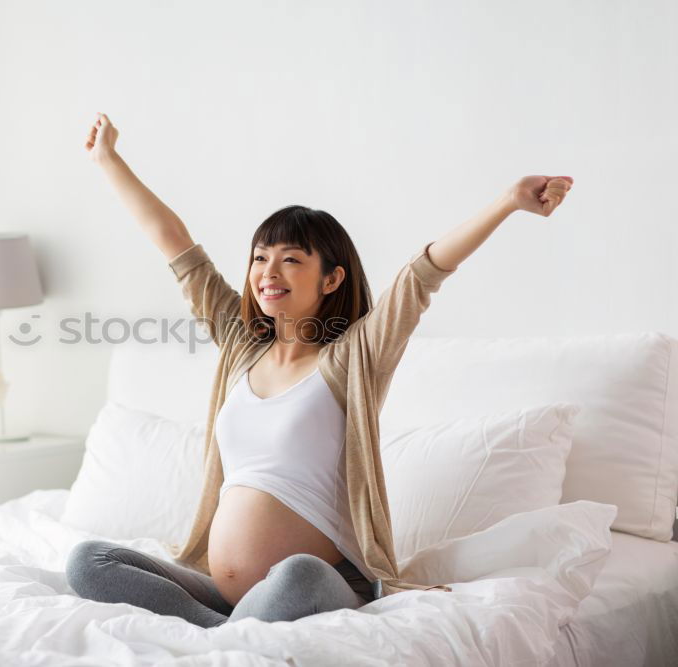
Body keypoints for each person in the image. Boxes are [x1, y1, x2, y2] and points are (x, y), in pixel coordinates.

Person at [66, 112, 574, 628]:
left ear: (331, 279)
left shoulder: (353, 358)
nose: (268, 272)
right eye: (260, 258)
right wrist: (108, 159)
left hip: (314, 583)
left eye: (291, 260)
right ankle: (224, 632)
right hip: (223, 593)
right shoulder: (241, 346)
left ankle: (221, 633)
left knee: (298, 576)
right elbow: (174, 241)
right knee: (90, 562)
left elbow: (421, 275)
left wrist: (509, 201)